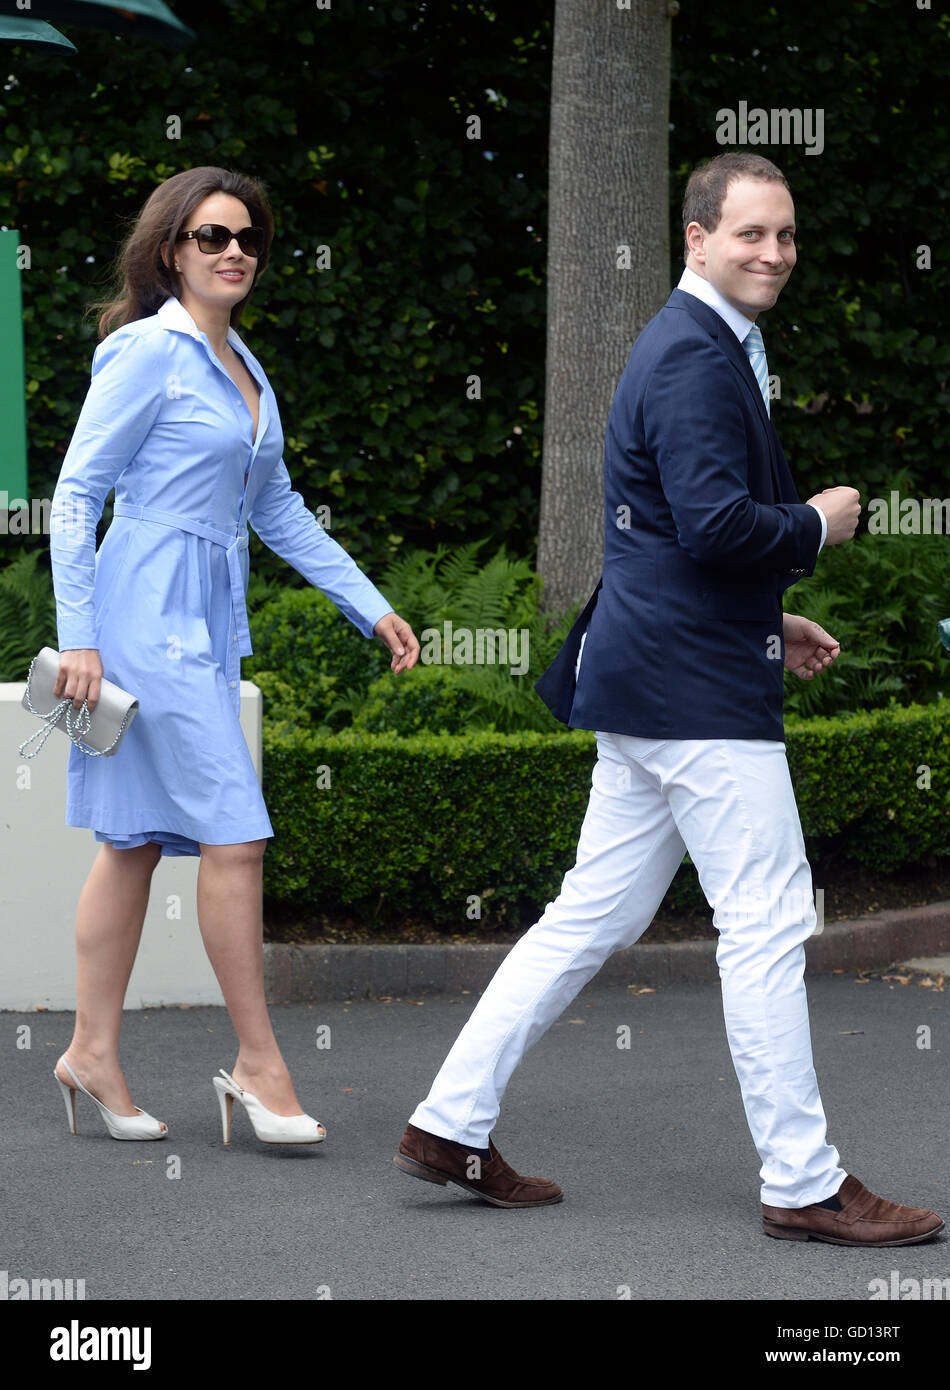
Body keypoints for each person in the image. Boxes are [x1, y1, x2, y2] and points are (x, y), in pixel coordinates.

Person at [394, 152, 944, 1247]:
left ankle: (448, 1121)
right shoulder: (694, 355)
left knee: (588, 914)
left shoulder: (690, 341)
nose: (772, 254)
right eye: (749, 233)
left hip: (652, 673)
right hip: (693, 697)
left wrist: (763, 619)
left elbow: (662, 539)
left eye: (783, 235)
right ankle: (800, 1179)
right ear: (694, 237)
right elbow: (713, 523)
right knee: (766, 924)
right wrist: (815, 527)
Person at [48, 166, 420, 1146]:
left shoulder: (245, 363)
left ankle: (90, 1052)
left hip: (202, 621)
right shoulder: (145, 352)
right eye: (211, 237)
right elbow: (79, 495)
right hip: (140, 614)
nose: (233, 252)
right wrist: (79, 636)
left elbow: (277, 508)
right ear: (171, 251)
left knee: (129, 839)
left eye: (247, 237)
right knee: (237, 833)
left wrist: (367, 604)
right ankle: (259, 1065)